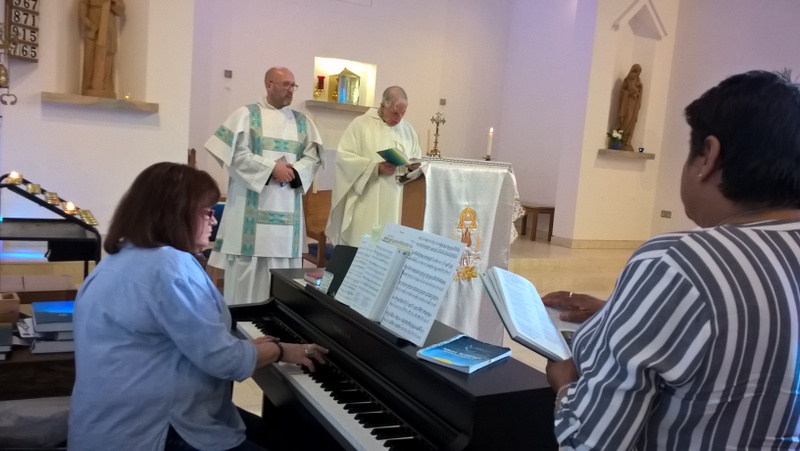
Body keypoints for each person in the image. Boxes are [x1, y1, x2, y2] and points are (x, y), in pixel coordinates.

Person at [546, 70, 800, 449]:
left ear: (708, 156)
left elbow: (590, 442)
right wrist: (622, 315)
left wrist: (565, 383)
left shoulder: (678, 263)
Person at [68, 162, 328, 450]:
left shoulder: (117, 262)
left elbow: (174, 345)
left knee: (284, 440)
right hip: (153, 431)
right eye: (207, 212)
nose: (213, 221)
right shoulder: (169, 266)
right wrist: (280, 350)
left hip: (111, 423)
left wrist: (247, 348)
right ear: (175, 215)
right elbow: (224, 361)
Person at [205, 67, 323, 305]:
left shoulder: (303, 123)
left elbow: (313, 158)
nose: (291, 90)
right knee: (246, 286)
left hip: (286, 223)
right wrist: (271, 169)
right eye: (285, 84)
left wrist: (295, 172)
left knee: (282, 285)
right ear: (269, 85)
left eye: (293, 85)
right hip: (249, 222)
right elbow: (234, 155)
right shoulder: (246, 115)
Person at [326, 86, 422, 246]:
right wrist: (375, 168)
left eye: (403, 113)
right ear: (383, 106)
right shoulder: (360, 125)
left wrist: (414, 167)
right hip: (367, 200)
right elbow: (344, 159)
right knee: (364, 247)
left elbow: (416, 162)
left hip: (397, 202)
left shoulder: (408, 130)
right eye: (395, 113)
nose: (399, 118)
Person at [79, 0, 125, 98]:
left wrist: (113, 3)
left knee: (107, 54)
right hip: (92, 26)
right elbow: (82, 13)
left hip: (108, 25)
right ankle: (89, 85)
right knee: (90, 57)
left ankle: (105, 83)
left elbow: (121, 10)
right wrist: (91, 25)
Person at [616, 63, 643, 151]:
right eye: (636, 71)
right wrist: (632, 93)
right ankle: (622, 140)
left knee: (632, 120)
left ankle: (627, 141)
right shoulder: (630, 78)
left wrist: (639, 89)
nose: (637, 73)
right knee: (627, 120)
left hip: (634, 103)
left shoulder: (638, 80)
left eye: (638, 72)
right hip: (628, 103)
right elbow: (627, 89)